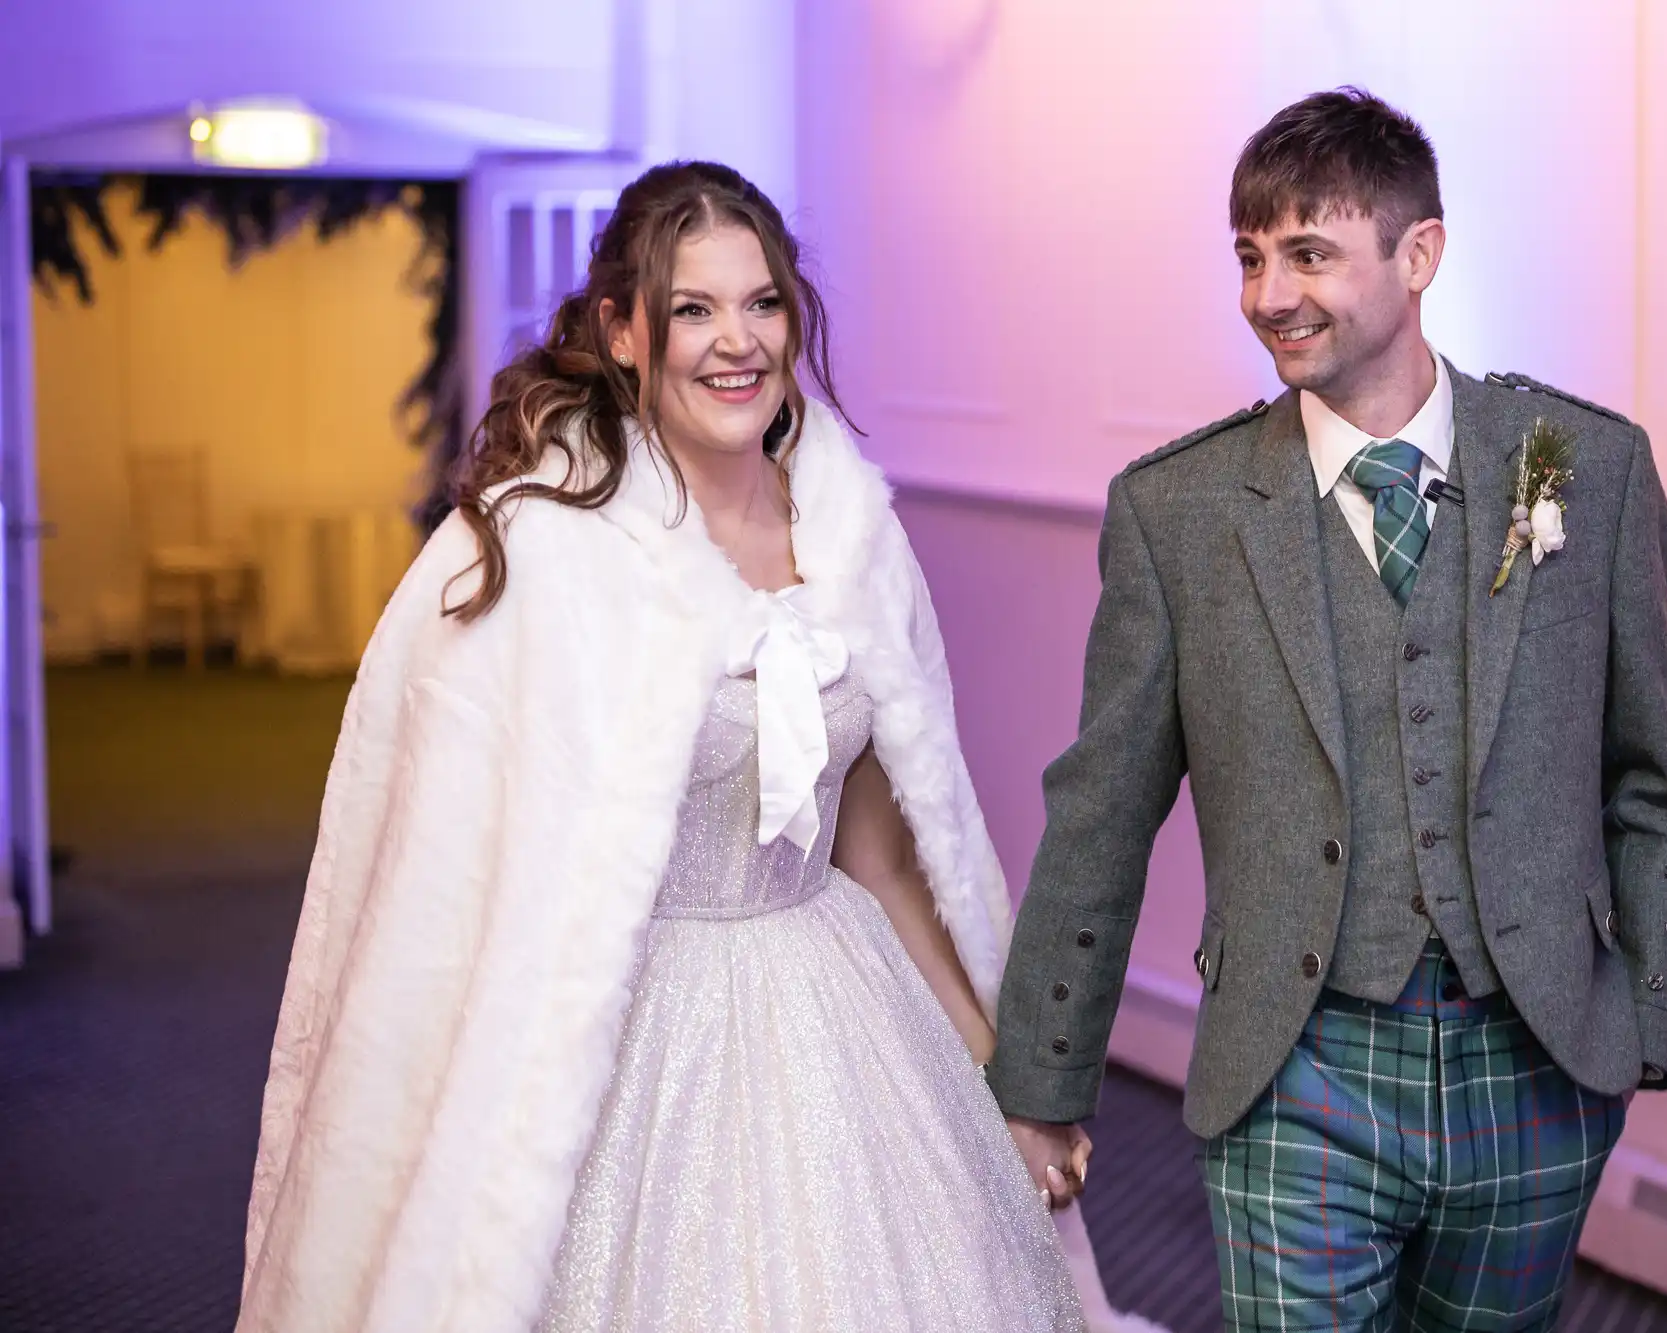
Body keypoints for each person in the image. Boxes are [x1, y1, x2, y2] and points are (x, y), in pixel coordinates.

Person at [234, 161, 1140, 1333]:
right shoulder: (536, 547)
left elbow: (884, 852)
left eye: (761, 303)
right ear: (622, 330)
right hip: (622, 1028)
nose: (737, 342)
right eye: (694, 308)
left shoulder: (853, 533)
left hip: (837, 1011)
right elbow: (440, 866)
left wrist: (1002, 1080)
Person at [988, 89, 1667, 1331]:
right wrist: (1044, 1078)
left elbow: (1651, 779)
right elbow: (1099, 812)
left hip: (1535, 1071)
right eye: (1248, 255)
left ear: (1417, 254)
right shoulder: (1179, 513)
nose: (1268, 293)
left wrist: (1634, 1030)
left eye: (1308, 252)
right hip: (1294, 1067)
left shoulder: (1585, 472)